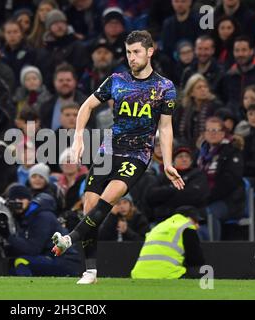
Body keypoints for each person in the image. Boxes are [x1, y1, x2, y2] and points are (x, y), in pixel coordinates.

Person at [51, 30, 184, 285]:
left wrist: (167, 162)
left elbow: (165, 127)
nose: (131, 58)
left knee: (109, 198)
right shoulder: (116, 80)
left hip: (138, 153)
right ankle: (90, 271)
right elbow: (86, 106)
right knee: (89, 205)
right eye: (128, 53)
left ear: (150, 51)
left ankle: (68, 239)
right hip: (109, 148)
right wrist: (78, 138)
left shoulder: (164, 87)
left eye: (136, 52)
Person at [0, 184, 81, 277]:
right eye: (14, 200)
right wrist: (4, 247)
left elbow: (33, 249)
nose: (17, 202)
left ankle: (27, 290)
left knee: (21, 262)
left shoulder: (42, 216)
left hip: (65, 261)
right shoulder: (23, 217)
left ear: (29, 200)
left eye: (21, 199)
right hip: (50, 258)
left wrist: (8, 236)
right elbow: (26, 245)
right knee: (12, 265)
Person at [197, 117, 245, 241]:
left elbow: (229, 182)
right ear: (204, 133)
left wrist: (206, 197)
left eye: (216, 130)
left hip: (229, 201)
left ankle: (213, 250)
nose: (212, 133)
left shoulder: (232, 152)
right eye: (209, 130)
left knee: (210, 213)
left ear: (223, 133)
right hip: (203, 199)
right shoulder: (200, 154)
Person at [131, 206, 205, 279]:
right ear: (187, 218)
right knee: (201, 270)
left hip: (139, 275)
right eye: (195, 221)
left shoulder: (157, 227)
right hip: (167, 275)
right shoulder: (187, 227)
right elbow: (197, 261)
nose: (197, 226)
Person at [146, 146, 209, 223]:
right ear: (173, 161)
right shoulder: (164, 176)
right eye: (180, 156)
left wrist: (166, 196)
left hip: (191, 217)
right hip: (164, 218)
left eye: (187, 156)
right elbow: (151, 195)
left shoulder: (198, 174)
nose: (184, 159)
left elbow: (194, 197)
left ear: (191, 160)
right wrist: (174, 188)